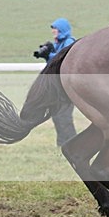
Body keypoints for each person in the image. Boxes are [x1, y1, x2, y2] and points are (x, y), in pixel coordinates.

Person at [33, 17, 77, 146]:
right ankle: (63, 143)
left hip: (66, 87)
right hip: (58, 86)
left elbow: (63, 60)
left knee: (63, 117)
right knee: (58, 117)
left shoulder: (69, 42)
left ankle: (71, 144)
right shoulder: (59, 43)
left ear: (62, 29)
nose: (53, 32)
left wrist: (49, 55)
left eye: (56, 29)